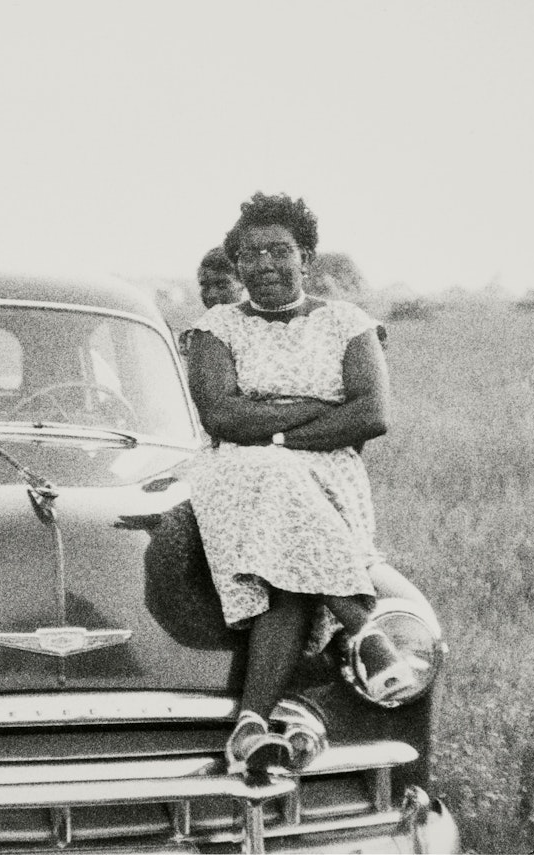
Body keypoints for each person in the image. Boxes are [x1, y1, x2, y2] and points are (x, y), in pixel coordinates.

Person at [184, 193, 418, 777]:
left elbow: (371, 414)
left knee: (287, 577)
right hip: (238, 477)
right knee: (273, 477)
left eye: (279, 250)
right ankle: (364, 624)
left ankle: (250, 724)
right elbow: (220, 417)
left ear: (306, 257)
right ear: (235, 265)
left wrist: (275, 430)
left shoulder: (347, 322)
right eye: (250, 253)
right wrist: (314, 411)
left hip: (327, 480)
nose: (265, 263)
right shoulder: (215, 328)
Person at [179, 246, 246, 360]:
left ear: (243, 284)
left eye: (222, 285)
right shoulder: (193, 339)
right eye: (205, 286)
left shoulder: (262, 334)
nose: (211, 295)